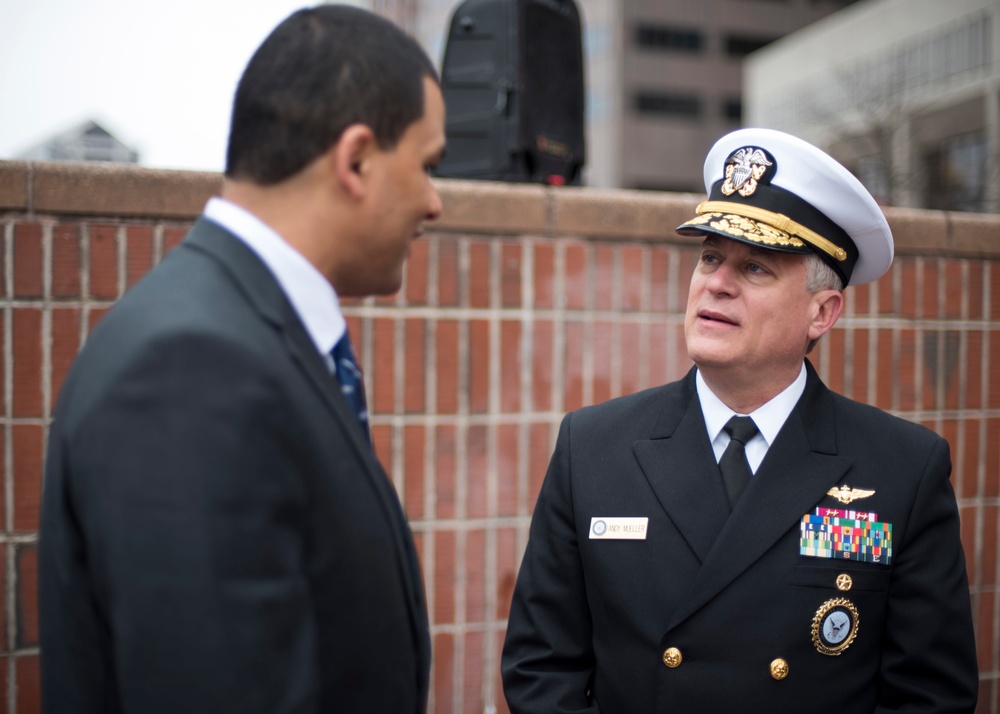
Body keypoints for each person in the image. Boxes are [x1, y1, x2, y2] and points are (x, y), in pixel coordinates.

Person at [38, 6, 445, 713]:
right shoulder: (188, 367)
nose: (436, 202)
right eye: (428, 165)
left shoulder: (239, 334)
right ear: (355, 161)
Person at [501, 128, 978, 713]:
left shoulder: (903, 468)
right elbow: (541, 668)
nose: (716, 283)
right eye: (709, 258)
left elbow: (929, 697)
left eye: (755, 268)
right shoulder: (593, 445)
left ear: (822, 312)